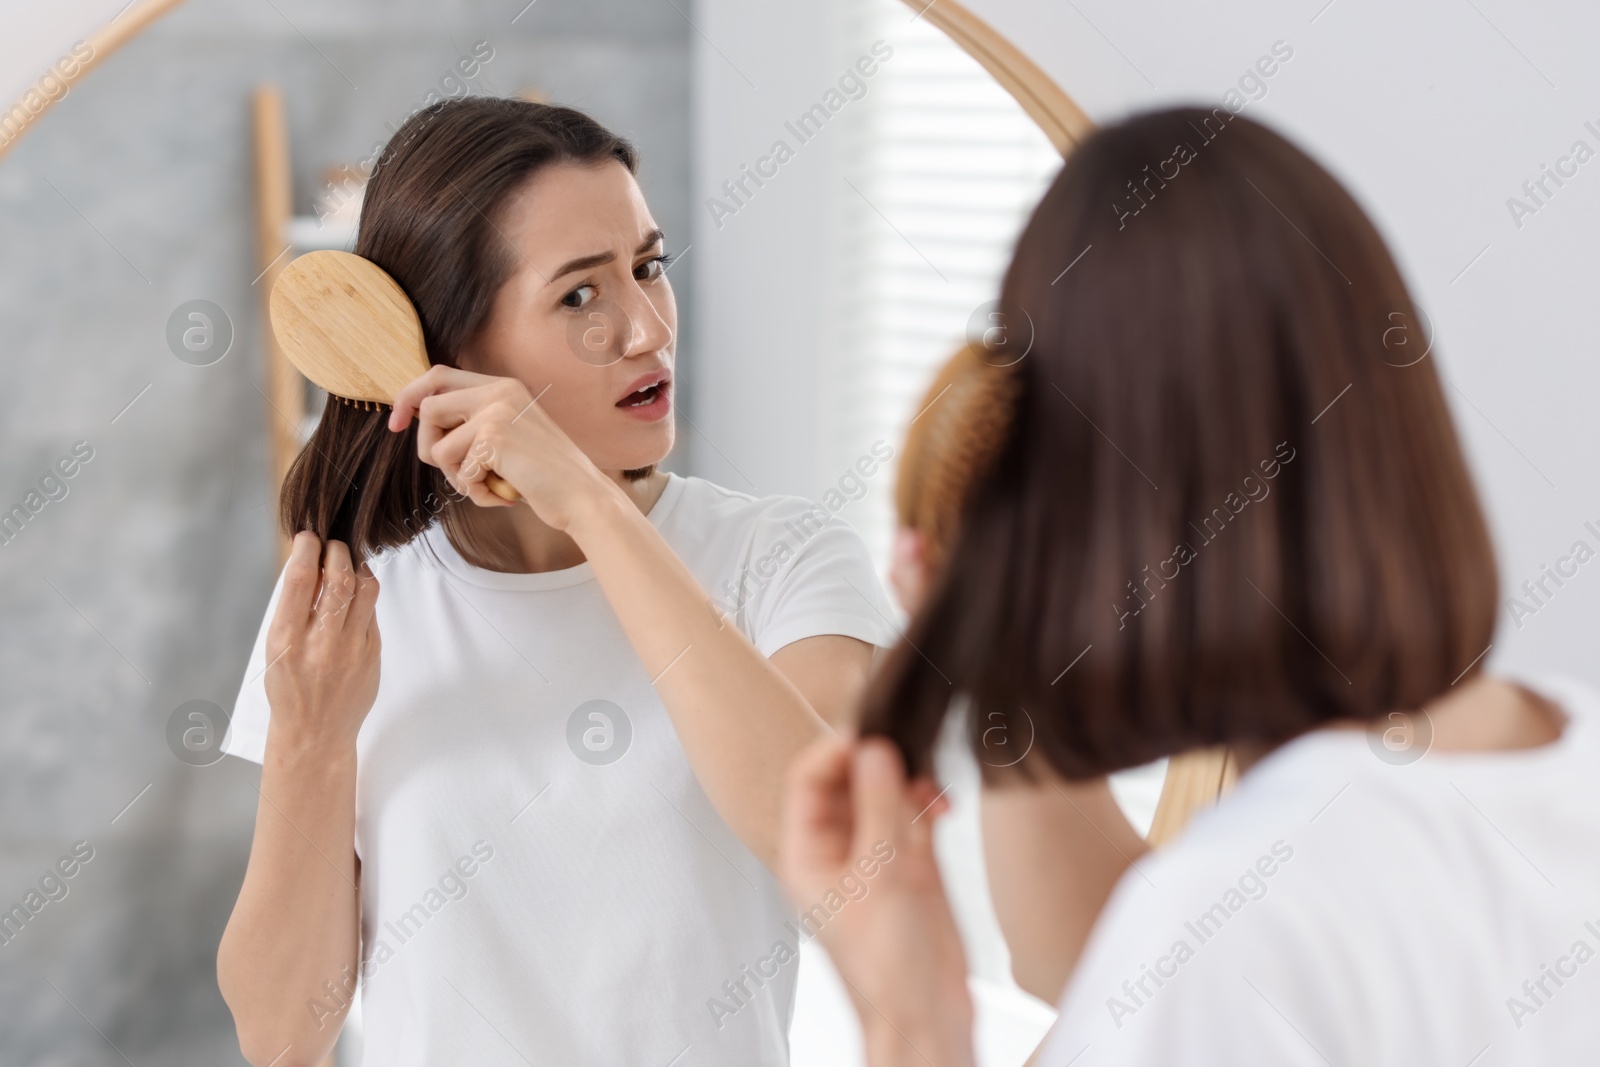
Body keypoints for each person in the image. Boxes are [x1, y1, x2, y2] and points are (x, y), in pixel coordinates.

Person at [778, 106, 1600, 1066]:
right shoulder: (1557, 755)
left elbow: (1166, 969)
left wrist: (911, 1025)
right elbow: (1093, 966)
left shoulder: (1244, 925)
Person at [216, 97, 897, 1067]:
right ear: (453, 344)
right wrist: (311, 740)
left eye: (648, 267)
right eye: (579, 295)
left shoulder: (782, 559)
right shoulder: (357, 608)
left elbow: (829, 851)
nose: (646, 327)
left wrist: (590, 504)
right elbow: (281, 1033)